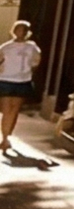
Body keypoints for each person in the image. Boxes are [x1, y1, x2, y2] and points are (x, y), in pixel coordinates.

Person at [0, 21, 40, 150]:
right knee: (6, 110)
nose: (20, 32)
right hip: (6, 80)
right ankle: (5, 138)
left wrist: (26, 72)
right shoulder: (5, 47)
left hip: (22, 81)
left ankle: (7, 135)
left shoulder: (32, 47)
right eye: (18, 29)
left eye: (23, 30)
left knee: (14, 110)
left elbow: (35, 63)